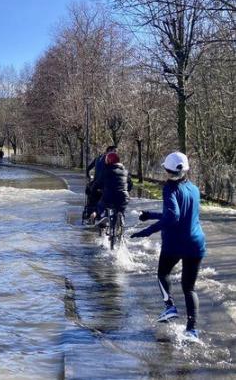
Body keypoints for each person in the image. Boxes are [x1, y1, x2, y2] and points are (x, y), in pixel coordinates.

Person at [130, 152, 206, 339]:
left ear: (166, 170)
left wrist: (147, 231)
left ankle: (169, 306)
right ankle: (191, 330)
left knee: (163, 274)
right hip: (196, 243)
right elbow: (182, 213)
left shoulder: (169, 189)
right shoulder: (194, 189)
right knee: (189, 288)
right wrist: (151, 214)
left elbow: (173, 216)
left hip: (175, 243)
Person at [96, 152, 132, 227]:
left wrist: (92, 189)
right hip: (124, 197)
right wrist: (125, 191)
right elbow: (130, 184)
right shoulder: (126, 172)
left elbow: (98, 183)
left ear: (108, 161)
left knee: (100, 205)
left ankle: (104, 216)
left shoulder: (106, 171)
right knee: (120, 210)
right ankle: (121, 218)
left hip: (109, 196)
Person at [84, 145, 117, 222]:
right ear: (109, 151)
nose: (116, 154)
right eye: (114, 151)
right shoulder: (110, 160)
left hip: (95, 185)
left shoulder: (97, 158)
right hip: (105, 186)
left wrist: (89, 178)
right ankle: (106, 216)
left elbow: (88, 169)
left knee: (91, 197)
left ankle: (91, 213)